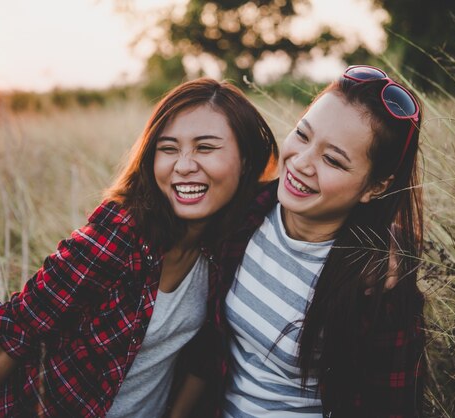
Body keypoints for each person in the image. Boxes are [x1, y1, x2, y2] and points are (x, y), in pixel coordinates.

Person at [0, 78, 279, 418]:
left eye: (205, 148)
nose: (183, 166)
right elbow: (14, 335)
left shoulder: (232, 243)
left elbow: (205, 354)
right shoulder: (118, 237)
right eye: (168, 148)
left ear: (247, 160)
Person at [179, 65, 427, 418]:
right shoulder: (244, 216)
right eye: (303, 135)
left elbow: (392, 408)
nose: (302, 162)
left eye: (333, 160)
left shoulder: (378, 286)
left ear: (376, 187)